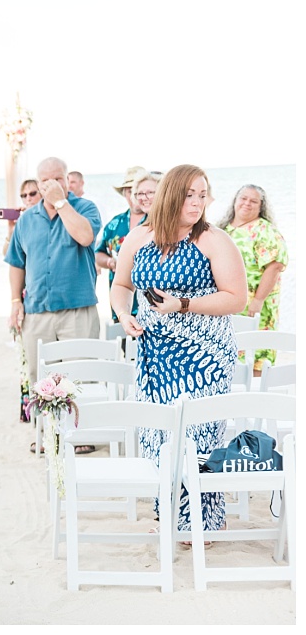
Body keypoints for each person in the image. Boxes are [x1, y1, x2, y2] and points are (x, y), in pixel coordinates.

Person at [111, 164, 246, 535]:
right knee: (159, 436)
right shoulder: (138, 238)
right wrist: (123, 314)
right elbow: (121, 285)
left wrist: (183, 303)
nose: (198, 202)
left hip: (204, 355)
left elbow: (237, 299)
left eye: (203, 194)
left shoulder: (214, 240)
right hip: (154, 353)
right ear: (171, 194)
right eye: (190, 194)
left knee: (197, 435)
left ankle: (201, 523)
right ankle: (169, 515)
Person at [6, 157, 101, 454]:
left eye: (57, 178)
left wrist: (61, 204)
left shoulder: (85, 208)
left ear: (66, 179)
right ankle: (47, 435)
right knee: (41, 377)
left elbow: (85, 236)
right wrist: (14, 301)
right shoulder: (27, 219)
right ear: (37, 182)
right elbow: (16, 263)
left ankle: (78, 435)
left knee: (78, 374)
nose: (51, 185)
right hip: (37, 310)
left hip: (77, 309)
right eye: (45, 180)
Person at [219, 184, 288, 373]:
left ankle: (256, 395)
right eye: (243, 198)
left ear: (261, 206)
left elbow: (275, 266)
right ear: (235, 200)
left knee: (255, 353)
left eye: (253, 201)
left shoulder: (265, 230)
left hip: (254, 305)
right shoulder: (223, 228)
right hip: (225, 303)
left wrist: (258, 300)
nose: (247, 203)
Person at [94, 166, 155, 322]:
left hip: (152, 305)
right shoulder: (115, 224)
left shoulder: (157, 223)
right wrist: (109, 261)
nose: (137, 196)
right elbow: (99, 252)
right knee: (122, 344)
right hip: (122, 303)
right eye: (131, 192)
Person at [5, 179, 42, 422]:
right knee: (26, 356)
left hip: (39, 298)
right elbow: (10, 259)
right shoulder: (21, 225)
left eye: (32, 194)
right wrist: (11, 228)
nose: (28, 198)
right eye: (24, 195)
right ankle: (28, 410)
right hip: (23, 298)